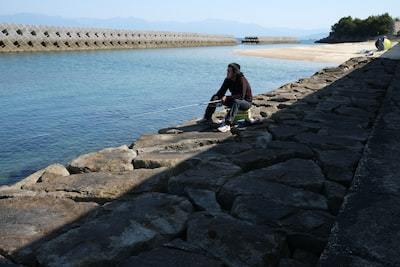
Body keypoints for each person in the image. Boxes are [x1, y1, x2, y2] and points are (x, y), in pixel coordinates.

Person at [203, 63, 253, 132]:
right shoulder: (227, 80)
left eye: (229, 71)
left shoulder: (242, 80)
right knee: (214, 97)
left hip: (246, 103)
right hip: (234, 101)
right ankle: (207, 118)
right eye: (227, 71)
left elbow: (241, 96)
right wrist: (217, 96)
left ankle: (227, 124)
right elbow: (221, 92)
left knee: (236, 101)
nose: (227, 73)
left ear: (234, 72)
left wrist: (227, 97)